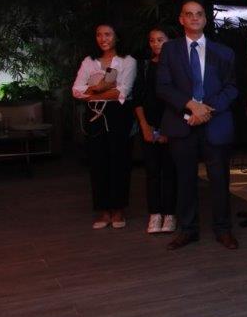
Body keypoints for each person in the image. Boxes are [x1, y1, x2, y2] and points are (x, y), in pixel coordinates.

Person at [157, 1, 239, 251]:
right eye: (189, 14)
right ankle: (188, 230)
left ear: (205, 19)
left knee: (220, 180)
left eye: (199, 14)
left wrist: (206, 110)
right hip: (181, 124)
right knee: (185, 180)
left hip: (215, 123)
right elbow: (163, 87)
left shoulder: (223, 52)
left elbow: (232, 88)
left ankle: (223, 229)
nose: (194, 18)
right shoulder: (169, 49)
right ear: (181, 19)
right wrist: (191, 105)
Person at [72, 22, 137, 229]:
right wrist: (101, 89)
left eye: (108, 34)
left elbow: (122, 92)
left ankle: (118, 210)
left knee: (119, 161)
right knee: (97, 162)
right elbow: (76, 90)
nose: (103, 39)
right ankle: (103, 211)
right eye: (99, 35)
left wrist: (93, 90)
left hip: (119, 115)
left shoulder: (127, 61)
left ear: (117, 37)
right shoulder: (89, 61)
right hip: (95, 115)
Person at [133, 28, 177, 235]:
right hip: (148, 127)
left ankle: (170, 214)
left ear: (169, 41)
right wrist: (144, 126)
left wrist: (168, 129)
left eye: (160, 39)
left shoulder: (176, 67)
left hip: (170, 127)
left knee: (169, 172)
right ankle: (155, 214)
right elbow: (137, 99)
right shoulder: (144, 66)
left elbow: (178, 100)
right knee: (152, 173)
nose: (156, 44)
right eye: (152, 40)